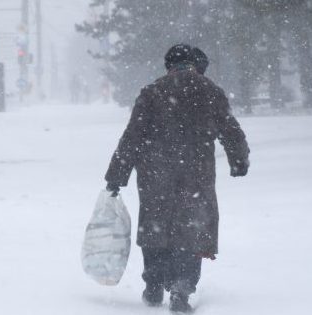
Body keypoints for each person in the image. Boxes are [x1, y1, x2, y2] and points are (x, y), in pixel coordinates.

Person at [104, 44, 250, 313]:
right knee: (191, 228)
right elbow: (231, 130)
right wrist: (239, 159)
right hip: (195, 175)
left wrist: (117, 176)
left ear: (169, 64)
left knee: (155, 226)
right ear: (196, 64)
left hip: (155, 174)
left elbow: (132, 137)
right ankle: (182, 286)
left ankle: (154, 283)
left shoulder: (152, 92)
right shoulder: (210, 91)